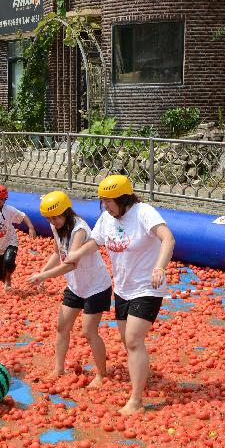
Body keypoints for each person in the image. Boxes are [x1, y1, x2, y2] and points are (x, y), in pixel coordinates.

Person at [65, 175, 176, 415]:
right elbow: (96, 241)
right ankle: (141, 372)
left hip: (147, 287)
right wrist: (77, 254)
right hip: (123, 289)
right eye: (103, 202)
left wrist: (160, 267)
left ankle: (136, 401)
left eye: (109, 202)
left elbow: (168, 238)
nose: (105, 206)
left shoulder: (144, 213)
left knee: (134, 340)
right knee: (128, 342)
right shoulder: (107, 218)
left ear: (124, 199)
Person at [27, 191, 112, 386]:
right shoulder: (55, 226)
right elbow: (58, 253)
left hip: (96, 286)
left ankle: (101, 375)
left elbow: (71, 263)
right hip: (75, 286)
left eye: (55, 217)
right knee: (62, 327)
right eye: (49, 218)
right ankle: (59, 368)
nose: (53, 221)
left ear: (66, 211)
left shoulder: (79, 230)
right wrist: (42, 272)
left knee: (89, 332)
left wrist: (42, 276)